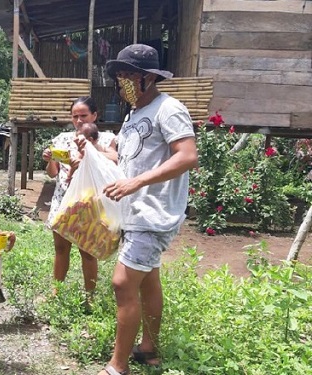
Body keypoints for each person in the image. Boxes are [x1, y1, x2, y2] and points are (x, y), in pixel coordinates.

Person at [97, 44, 198, 375]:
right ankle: (148, 349)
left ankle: (118, 366)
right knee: (148, 280)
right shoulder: (132, 115)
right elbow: (127, 160)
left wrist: (136, 183)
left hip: (154, 212)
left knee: (122, 284)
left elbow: (186, 156)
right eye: (119, 76)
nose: (121, 81)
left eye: (127, 75)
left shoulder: (168, 109)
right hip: (135, 211)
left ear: (148, 78)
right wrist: (90, 154)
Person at [41, 96, 116, 296]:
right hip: (64, 201)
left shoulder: (106, 138)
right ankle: (56, 292)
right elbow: (53, 173)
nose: (79, 120)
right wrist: (49, 160)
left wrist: (91, 150)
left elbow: (116, 160)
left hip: (91, 204)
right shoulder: (62, 139)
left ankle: (89, 295)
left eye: (84, 115)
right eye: (75, 116)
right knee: (61, 249)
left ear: (95, 115)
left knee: (88, 251)